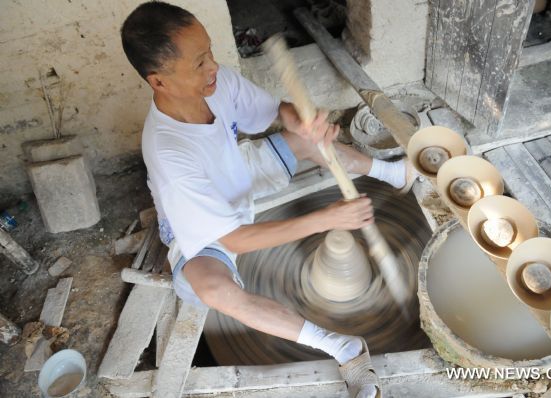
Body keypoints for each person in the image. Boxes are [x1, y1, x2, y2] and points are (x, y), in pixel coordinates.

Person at [121, 2, 416, 397]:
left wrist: (297, 118)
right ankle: (344, 348)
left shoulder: (216, 82)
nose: (213, 67)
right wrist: (326, 218)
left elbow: (274, 110)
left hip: (236, 175)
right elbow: (234, 239)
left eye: (209, 53)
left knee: (311, 139)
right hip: (205, 227)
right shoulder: (170, 154)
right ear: (159, 82)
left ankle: (393, 174)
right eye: (199, 63)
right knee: (212, 289)